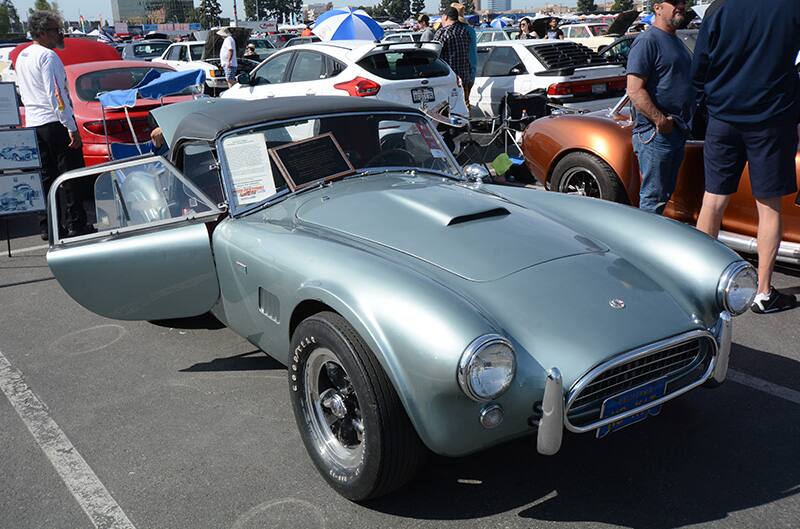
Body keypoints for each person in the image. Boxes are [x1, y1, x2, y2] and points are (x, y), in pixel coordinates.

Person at [692, 0, 800, 314]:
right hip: (771, 119)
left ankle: (700, 281)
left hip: (723, 118)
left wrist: (705, 103)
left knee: (712, 200)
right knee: (768, 206)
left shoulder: (718, 8)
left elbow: (699, 66)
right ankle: (763, 293)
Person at [16, 11, 87, 239]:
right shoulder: (47, 56)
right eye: (56, 30)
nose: (60, 34)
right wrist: (71, 127)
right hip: (54, 122)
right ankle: (76, 223)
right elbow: (56, 95)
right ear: (43, 33)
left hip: (34, 123)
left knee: (46, 178)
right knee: (70, 176)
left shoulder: (23, 56)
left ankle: (49, 226)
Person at [625, 0, 691, 216]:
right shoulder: (647, 41)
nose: (680, 6)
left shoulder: (675, 40)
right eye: (674, 2)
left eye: (683, 2)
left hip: (675, 131)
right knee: (653, 200)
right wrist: (660, 121)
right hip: (656, 134)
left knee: (663, 195)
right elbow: (634, 90)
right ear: (657, 8)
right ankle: (641, 247)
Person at [434, 7, 473, 108]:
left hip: (447, 79)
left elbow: (433, 55)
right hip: (464, 78)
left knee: (446, 109)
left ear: (446, 17)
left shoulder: (443, 33)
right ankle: (465, 123)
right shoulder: (465, 32)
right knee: (464, 106)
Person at [450, 2, 476, 106]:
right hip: (469, 73)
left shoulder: (457, 32)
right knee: (465, 104)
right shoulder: (470, 30)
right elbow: (473, 54)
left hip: (456, 75)